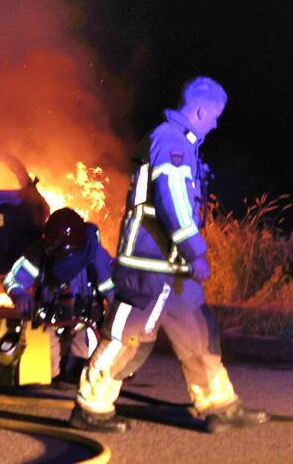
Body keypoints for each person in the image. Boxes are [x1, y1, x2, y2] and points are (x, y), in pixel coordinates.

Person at [69, 77, 268, 433]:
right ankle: (91, 407)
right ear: (201, 110)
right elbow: (173, 200)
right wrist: (197, 252)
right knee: (129, 339)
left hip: (171, 270)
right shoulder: (171, 141)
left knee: (197, 333)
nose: (216, 124)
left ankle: (219, 406)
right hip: (150, 267)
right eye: (215, 116)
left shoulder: (180, 142)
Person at [3, 207, 115, 383]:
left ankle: (76, 364)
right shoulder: (40, 252)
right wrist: (20, 295)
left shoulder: (96, 256)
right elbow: (13, 279)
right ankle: (53, 367)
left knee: (84, 374)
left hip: (86, 324)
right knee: (40, 374)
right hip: (48, 321)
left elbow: (113, 291)